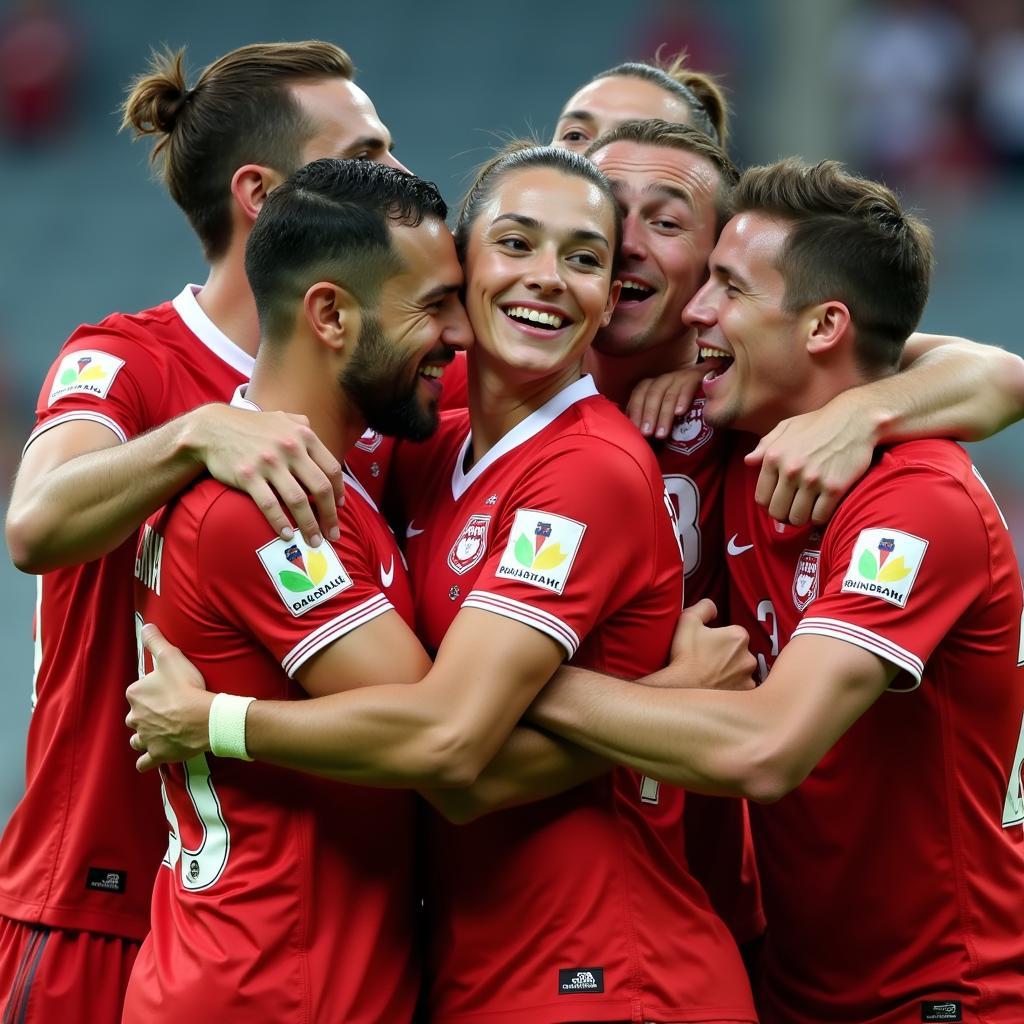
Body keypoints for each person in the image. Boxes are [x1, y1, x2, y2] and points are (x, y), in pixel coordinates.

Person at [129, 144, 761, 1024]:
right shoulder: (411, 456)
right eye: (515, 245)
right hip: (409, 971)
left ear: (611, 297)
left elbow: (454, 748)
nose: (547, 279)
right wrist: (666, 702)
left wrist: (217, 723)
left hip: (606, 974)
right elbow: (450, 743)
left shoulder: (586, 467)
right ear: (464, 276)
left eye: (584, 258)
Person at [519, 158, 1024, 1024]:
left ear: (826, 325)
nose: (698, 311)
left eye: (729, 288)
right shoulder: (746, 451)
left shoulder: (915, 499)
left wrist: (509, 682)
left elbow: (766, 747)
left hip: (944, 996)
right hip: (796, 985)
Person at [0, 40, 410, 1024]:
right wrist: (192, 436)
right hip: (101, 907)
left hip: (281, 934)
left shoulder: (374, 393)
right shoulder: (128, 360)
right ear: (263, 195)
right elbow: (35, 524)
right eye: (364, 153)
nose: (399, 178)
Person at [125, 158, 471, 1024]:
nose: (461, 334)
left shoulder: (316, 473)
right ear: (330, 315)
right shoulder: (266, 510)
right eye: (432, 306)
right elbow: (443, 732)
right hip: (274, 988)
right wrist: (668, 693)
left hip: (271, 969)